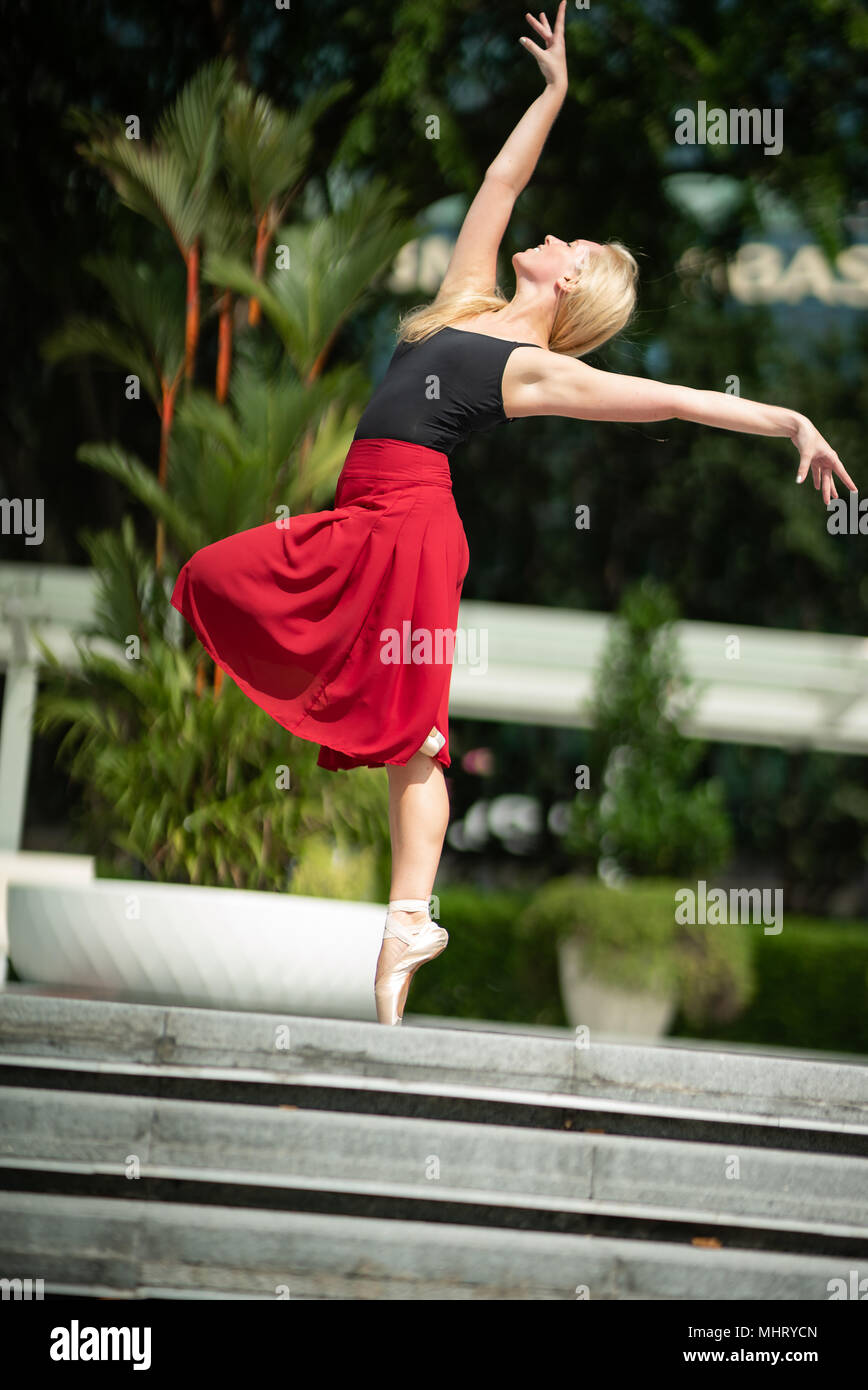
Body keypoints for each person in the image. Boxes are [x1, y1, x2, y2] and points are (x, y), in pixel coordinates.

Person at [171, 2, 855, 1027]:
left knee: (416, 736)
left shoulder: (531, 369)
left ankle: (409, 916)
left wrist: (787, 417)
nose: (548, 231)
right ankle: (408, 912)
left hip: (409, 527)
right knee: (209, 579)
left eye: (567, 240)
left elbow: (671, 399)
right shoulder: (461, 302)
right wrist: (553, 94)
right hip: (359, 513)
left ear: (570, 278)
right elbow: (497, 183)